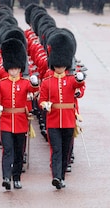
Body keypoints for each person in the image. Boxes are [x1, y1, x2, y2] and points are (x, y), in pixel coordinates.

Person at [39, 31, 86, 189]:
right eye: (57, 65)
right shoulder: (47, 82)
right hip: (53, 121)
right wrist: (45, 105)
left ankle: (62, 175)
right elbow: (42, 99)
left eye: (62, 65)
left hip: (68, 120)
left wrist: (80, 80)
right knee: (56, 150)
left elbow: (80, 87)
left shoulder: (71, 80)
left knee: (66, 150)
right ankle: (56, 177)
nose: (59, 68)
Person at [0, 38, 39, 190]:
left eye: (16, 69)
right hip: (6, 121)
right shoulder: (2, 83)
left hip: (20, 121)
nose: (13, 71)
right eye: (11, 69)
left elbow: (34, 91)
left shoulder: (25, 83)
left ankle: (17, 177)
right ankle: (6, 177)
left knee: (19, 152)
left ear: (20, 68)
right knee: (8, 151)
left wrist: (34, 83)